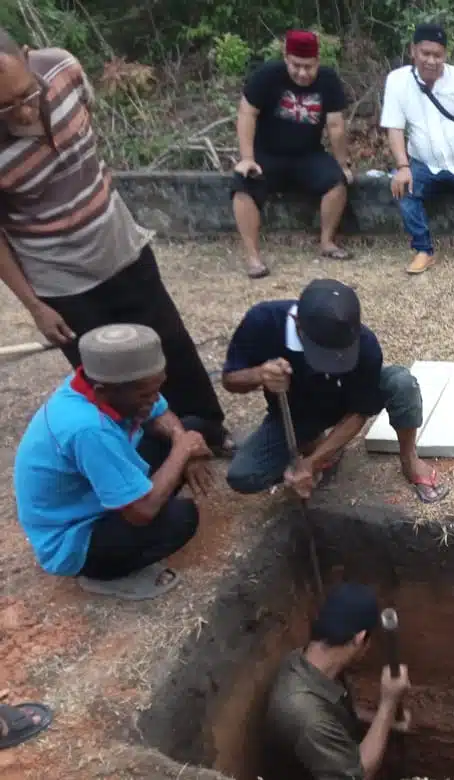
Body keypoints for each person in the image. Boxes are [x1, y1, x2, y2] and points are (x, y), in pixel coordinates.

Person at [0, 30, 233, 454]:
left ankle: (210, 431)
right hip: (58, 276)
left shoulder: (63, 69)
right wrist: (35, 306)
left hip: (118, 241)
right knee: (107, 373)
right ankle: (148, 456)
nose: (22, 111)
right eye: (4, 107)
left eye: (24, 95)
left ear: (31, 60)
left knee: (168, 342)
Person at [13, 324, 214, 601]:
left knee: (189, 425)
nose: (154, 399)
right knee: (181, 519)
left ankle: (141, 488)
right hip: (74, 537)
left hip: (91, 493)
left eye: (158, 387)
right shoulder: (87, 429)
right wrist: (183, 450)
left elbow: (162, 413)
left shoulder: (100, 384)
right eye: (145, 394)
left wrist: (182, 439)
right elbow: (141, 512)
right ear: (103, 390)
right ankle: (103, 575)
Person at [221, 279, 450, 503]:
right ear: (297, 323)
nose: (333, 365)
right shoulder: (263, 322)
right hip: (296, 412)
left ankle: (409, 458)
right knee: (243, 476)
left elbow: (359, 412)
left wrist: (310, 464)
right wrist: (259, 375)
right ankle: (314, 441)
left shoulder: (365, 342)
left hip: (344, 401)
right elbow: (230, 380)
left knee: (400, 382)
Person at [380, 23, 454, 275]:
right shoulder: (398, 81)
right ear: (413, 51)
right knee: (402, 189)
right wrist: (403, 166)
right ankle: (423, 249)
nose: (431, 61)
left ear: (445, 55)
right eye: (425, 53)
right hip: (423, 163)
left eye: (438, 55)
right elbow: (394, 127)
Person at [231, 30, 353, 278]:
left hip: (308, 154)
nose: (302, 73)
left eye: (308, 67)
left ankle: (327, 242)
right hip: (267, 154)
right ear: (286, 58)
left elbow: (336, 126)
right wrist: (247, 157)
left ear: (317, 61)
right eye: (296, 66)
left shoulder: (328, 80)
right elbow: (246, 114)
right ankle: (254, 258)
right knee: (242, 186)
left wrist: (343, 163)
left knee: (337, 182)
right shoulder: (267, 75)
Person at [265, 583, 411, 779]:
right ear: (359, 638)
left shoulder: (305, 662)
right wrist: (388, 702)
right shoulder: (307, 719)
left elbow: (336, 713)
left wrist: (384, 720)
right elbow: (358, 775)